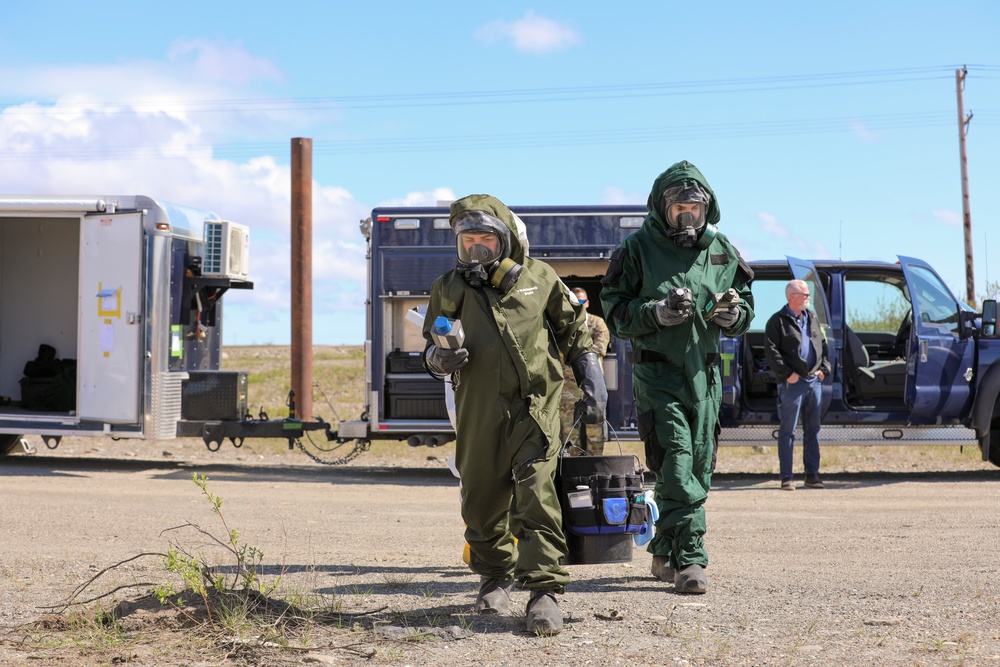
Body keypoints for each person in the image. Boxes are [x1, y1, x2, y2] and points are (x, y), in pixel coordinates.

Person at [422, 194, 608, 635]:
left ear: (505, 240)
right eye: (468, 241)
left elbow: (576, 332)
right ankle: (494, 573)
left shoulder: (541, 278)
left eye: (486, 239)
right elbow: (430, 346)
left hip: (536, 409)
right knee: (481, 496)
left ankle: (544, 590)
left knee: (537, 494)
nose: (477, 250)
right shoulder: (448, 287)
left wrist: (591, 375)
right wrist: (436, 359)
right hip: (478, 409)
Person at [600, 161, 754, 594]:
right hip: (658, 376)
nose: (687, 217)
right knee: (677, 461)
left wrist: (734, 314)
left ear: (707, 209)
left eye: (694, 208)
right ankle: (691, 560)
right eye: (678, 208)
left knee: (696, 469)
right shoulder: (636, 250)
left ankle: (663, 552)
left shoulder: (721, 249)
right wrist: (655, 313)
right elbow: (614, 309)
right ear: (661, 208)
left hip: (705, 375)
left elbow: (746, 303)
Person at [763, 279, 830, 491]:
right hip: (793, 383)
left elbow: (823, 345)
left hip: (814, 381)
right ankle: (787, 478)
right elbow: (771, 352)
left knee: (813, 430)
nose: (809, 298)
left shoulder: (812, 318)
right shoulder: (777, 321)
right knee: (788, 431)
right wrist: (787, 374)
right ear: (793, 297)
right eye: (805, 294)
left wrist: (824, 370)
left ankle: (812, 475)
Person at [559, 287, 611, 455]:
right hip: (568, 387)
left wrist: (573, 354)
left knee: (594, 433)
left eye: (581, 301)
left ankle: (594, 469)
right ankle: (572, 471)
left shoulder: (597, 323)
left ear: (587, 303)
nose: (578, 305)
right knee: (569, 433)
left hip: (592, 386)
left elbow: (599, 348)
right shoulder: (562, 325)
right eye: (574, 301)